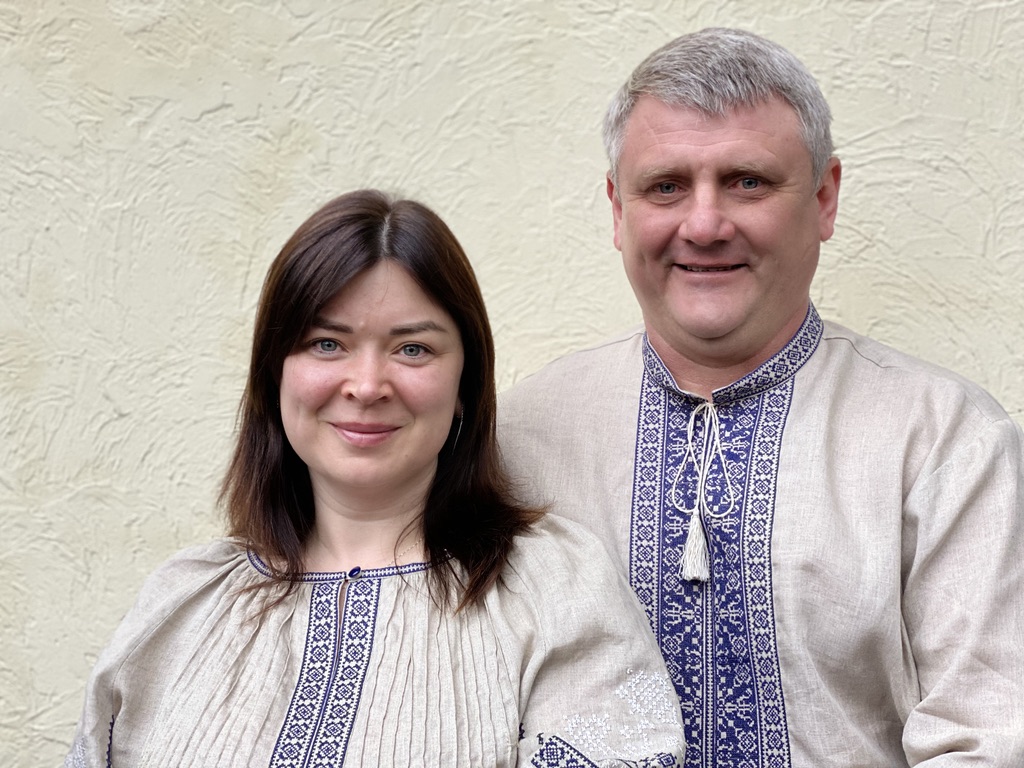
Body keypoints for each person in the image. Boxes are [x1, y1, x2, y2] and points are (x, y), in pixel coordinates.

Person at [498, 27, 1024, 767]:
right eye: (666, 186)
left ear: (824, 198)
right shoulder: (523, 436)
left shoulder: (945, 440)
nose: (705, 224)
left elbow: (990, 737)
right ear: (618, 209)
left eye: (747, 180)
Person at [64, 190, 687, 767]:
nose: (366, 385)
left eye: (412, 349)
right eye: (326, 344)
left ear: (465, 384)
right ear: (274, 374)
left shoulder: (553, 591)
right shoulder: (182, 605)